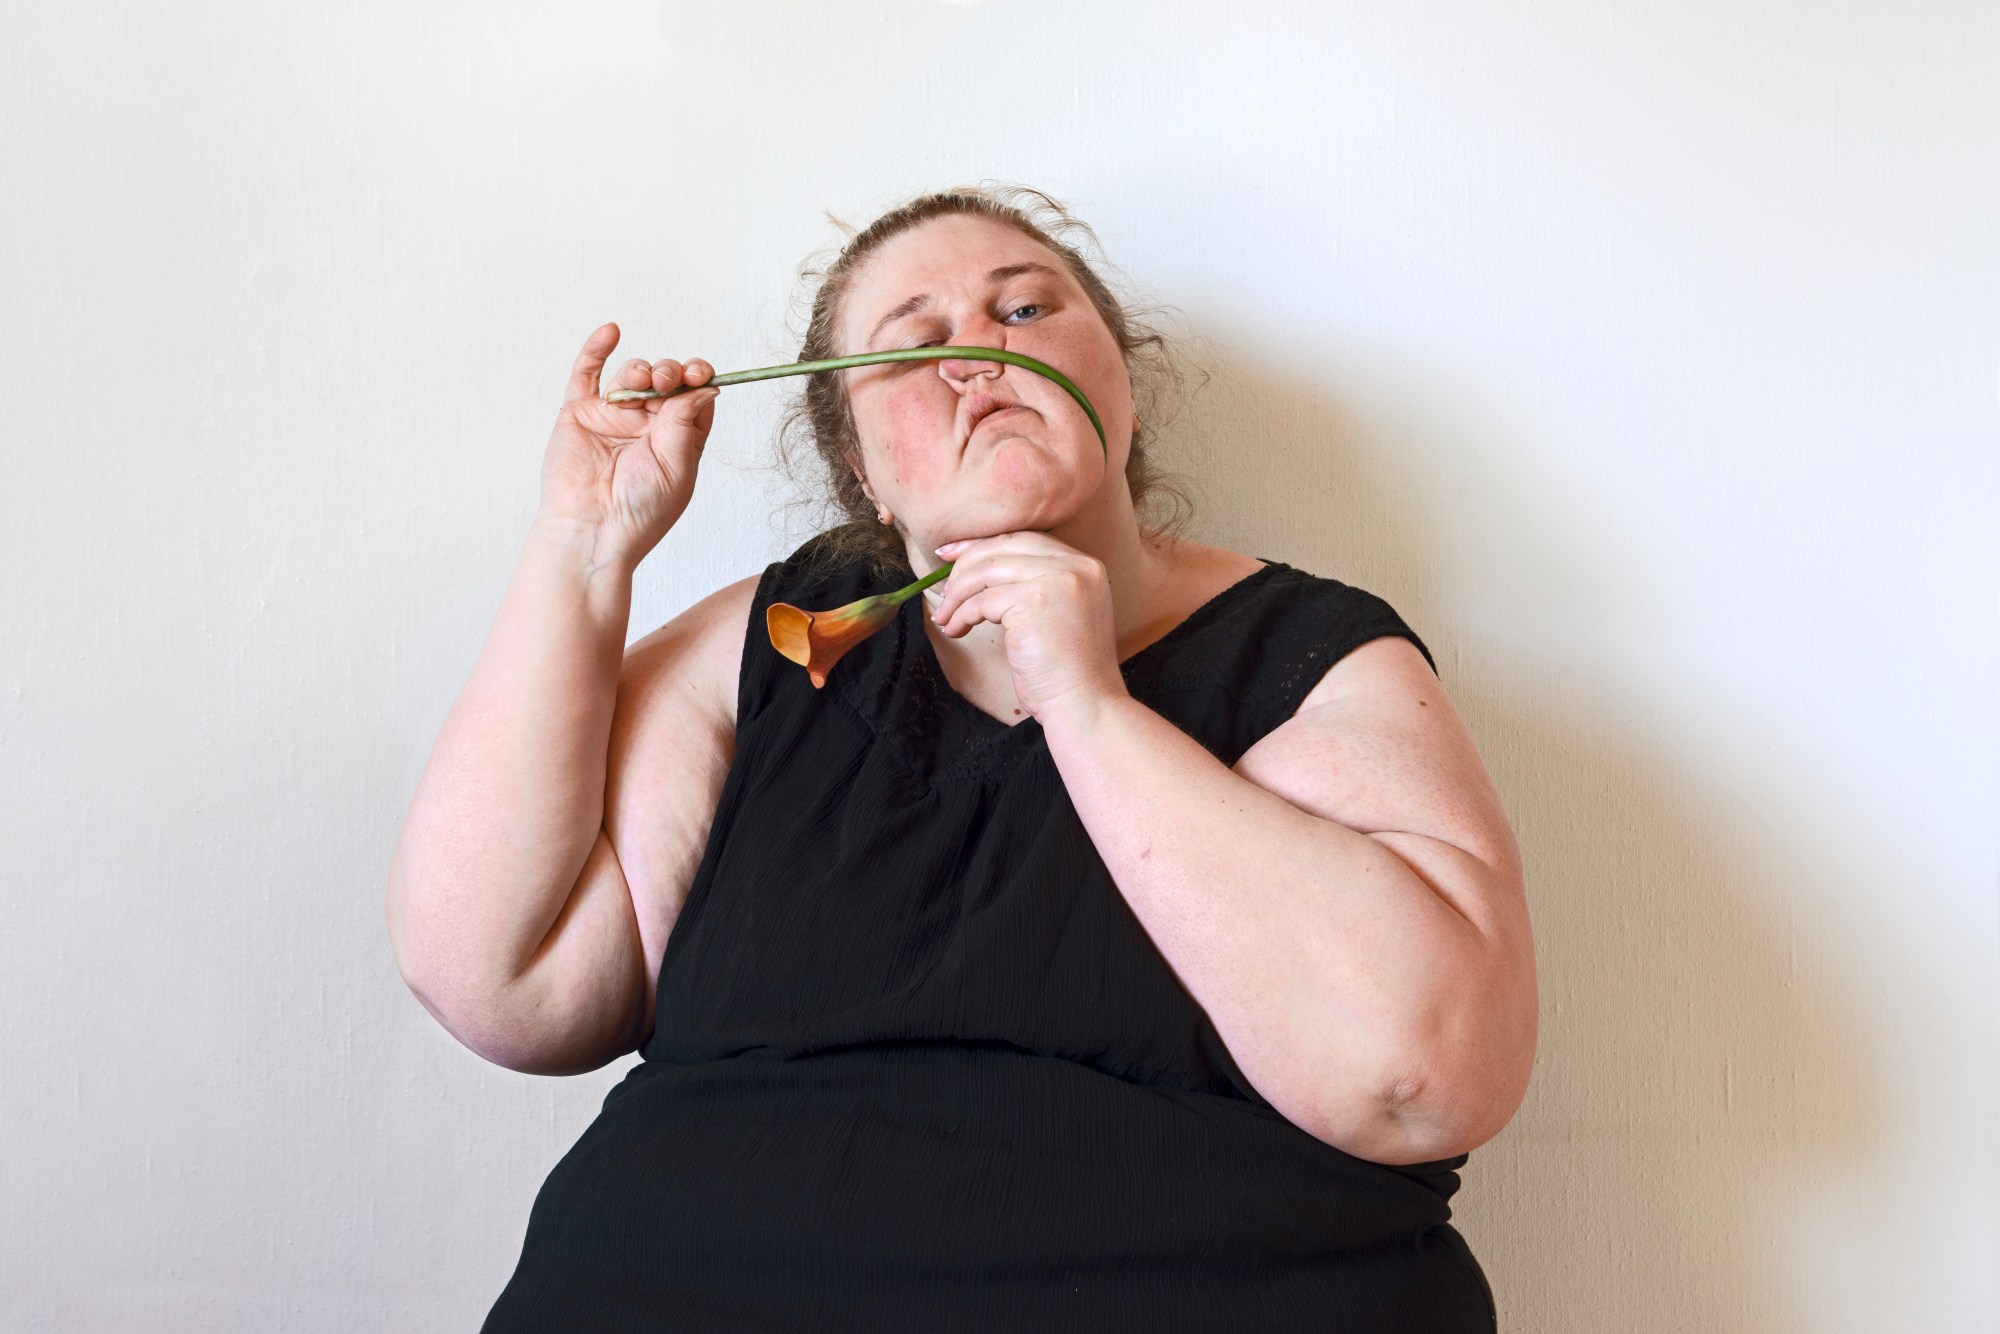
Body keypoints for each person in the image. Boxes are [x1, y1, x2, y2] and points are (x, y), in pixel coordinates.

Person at [386, 185, 1537, 1331]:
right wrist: (584, 549)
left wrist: (1084, 701)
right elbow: (503, 977)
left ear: (1120, 386)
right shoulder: (776, 641)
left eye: (1026, 309)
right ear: (862, 471)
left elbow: (1417, 1073)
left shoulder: (1307, 654)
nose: (979, 353)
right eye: (914, 342)